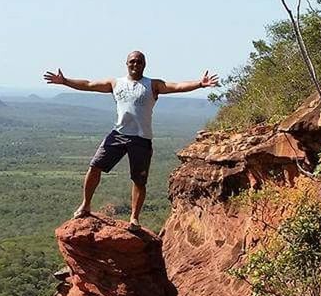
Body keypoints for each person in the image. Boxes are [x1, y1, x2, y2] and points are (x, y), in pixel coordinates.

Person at [43, 51, 219, 226]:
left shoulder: (153, 85)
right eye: (132, 61)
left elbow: (177, 86)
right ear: (126, 63)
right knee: (95, 166)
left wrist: (200, 84)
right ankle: (85, 205)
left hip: (141, 139)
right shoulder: (115, 83)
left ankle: (134, 218)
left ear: (144, 64)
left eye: (139, 62)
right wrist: (65, 81)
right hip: (118, 134)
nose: (135, 64)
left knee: (139, 180)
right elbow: (88, 84)